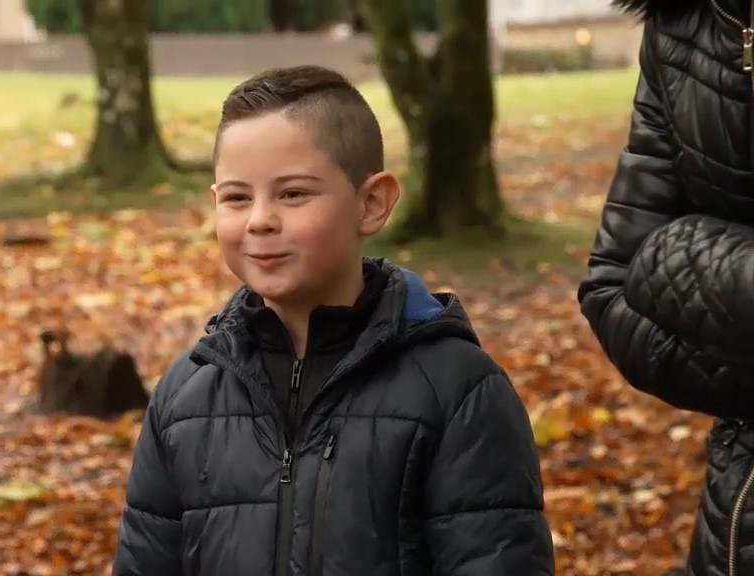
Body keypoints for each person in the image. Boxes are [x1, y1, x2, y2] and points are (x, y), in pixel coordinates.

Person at [111, 64, 555, 575]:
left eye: (293, 193)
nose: (259, 219)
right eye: (236, 197)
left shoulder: (458, 393)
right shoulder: (184, 398)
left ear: (371, 203)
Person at [578, 1, 754, 574]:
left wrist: (678, 254)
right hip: (735, 514)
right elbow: (611, 285)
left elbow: (649, 261)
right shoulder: (681, 23)